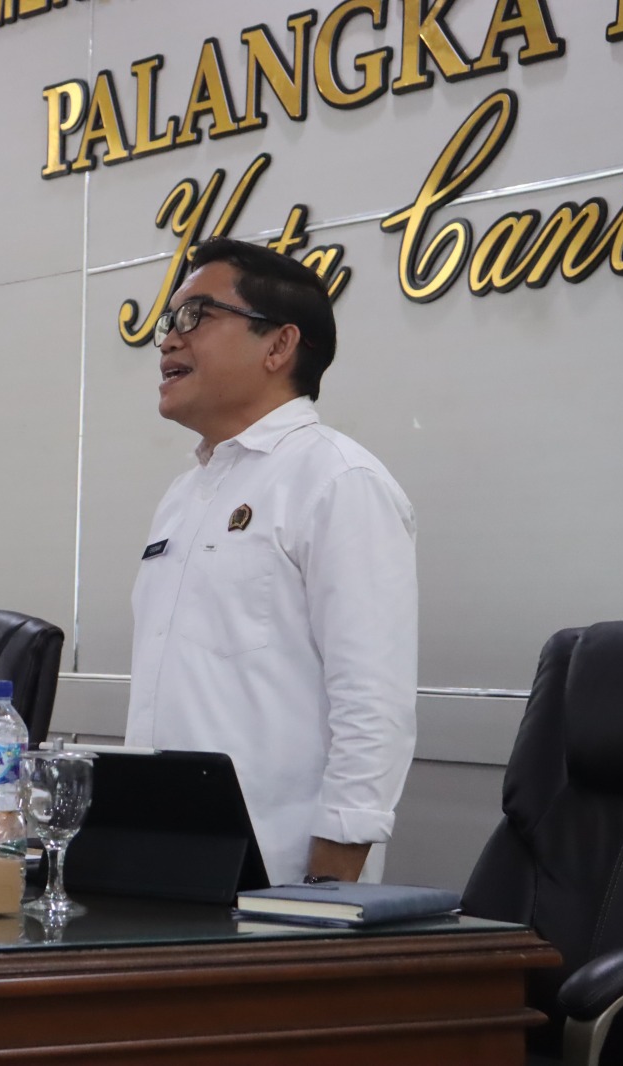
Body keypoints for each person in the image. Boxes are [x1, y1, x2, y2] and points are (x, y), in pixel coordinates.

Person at [125, 238, 418, 886]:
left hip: (280, 880)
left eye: (196, 316)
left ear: (279, 345)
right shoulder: (183, 495)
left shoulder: (338, 480)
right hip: (161, 860)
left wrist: (331, 880)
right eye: (169, 321)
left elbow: (374, 702)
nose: (169, 339)